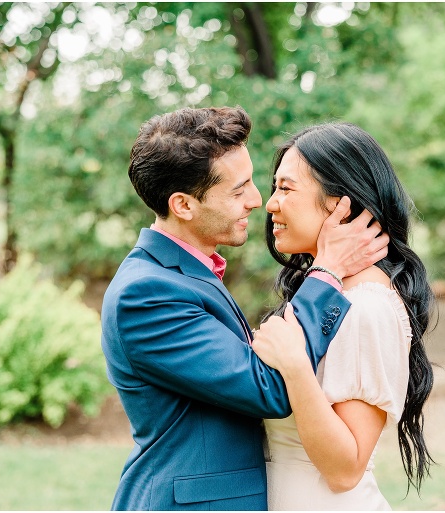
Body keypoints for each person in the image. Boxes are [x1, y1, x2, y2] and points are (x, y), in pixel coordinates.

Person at [100, 107, 390, 511]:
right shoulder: (147, 294)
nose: (258, 201)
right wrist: (328, 270)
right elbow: (268, 388)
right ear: (183, 205)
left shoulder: (189, 275)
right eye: (238, 190)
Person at [251, 122, 436, 510]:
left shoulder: (367, 307)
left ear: (341, 205)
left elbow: (345, 468)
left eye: (286, 188)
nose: (270, 204)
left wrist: (296, 367)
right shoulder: (332, 294)